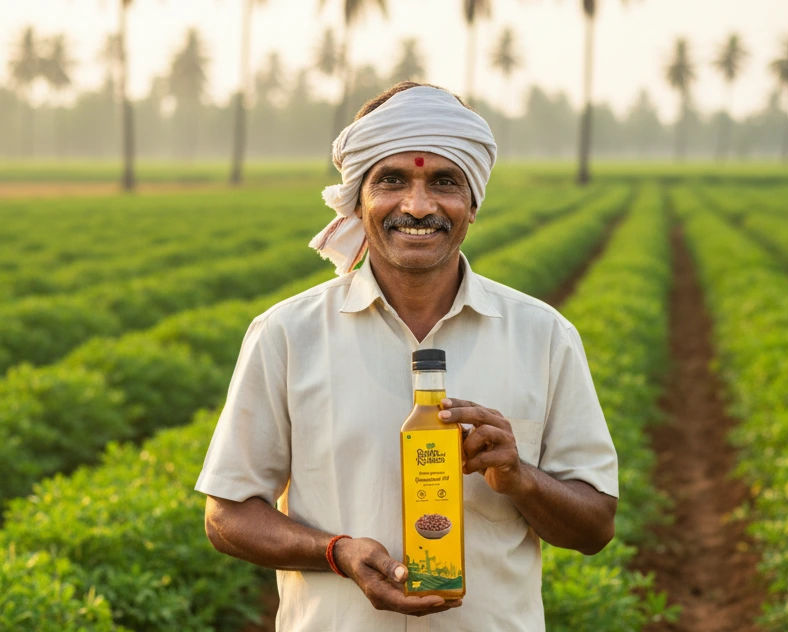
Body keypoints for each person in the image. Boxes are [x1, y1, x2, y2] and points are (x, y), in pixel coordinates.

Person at [196, 82, 618, 631]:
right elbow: (226, 515)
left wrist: (520, 478)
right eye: (392, 180)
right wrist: (336, 552)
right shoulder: (287, 334)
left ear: (472, 204)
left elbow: (596, 527)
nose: (418, 206)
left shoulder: (544, 335)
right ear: (358, 199)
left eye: (444, 182)